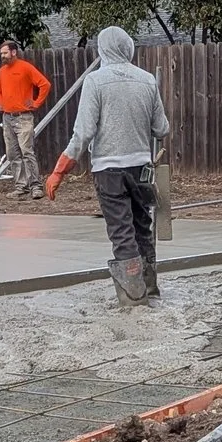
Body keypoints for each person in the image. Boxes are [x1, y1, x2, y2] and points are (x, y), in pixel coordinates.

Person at [43, 26, 169, 304]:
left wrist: (58, 172)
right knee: (141, 229)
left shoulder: (95, 82)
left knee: (122, 233)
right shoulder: (147, 80)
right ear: (128, 47)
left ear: (102, 50)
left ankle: (134, 300)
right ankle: (151, 292)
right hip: (142, 170)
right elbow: (162, 128)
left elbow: (83, 132)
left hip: (108, 171)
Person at [0, 39, 53, 197]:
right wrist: (0, 102)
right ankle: (21, 187)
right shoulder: (1, 72)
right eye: (1, 54)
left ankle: (36, 187)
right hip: (7, 117)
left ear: (13, 52)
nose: (3, 56)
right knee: (13, 154)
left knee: (27, 152)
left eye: (5, 53)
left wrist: (36, 103)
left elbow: (44, 84)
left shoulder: (25, 67)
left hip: (23, 117)